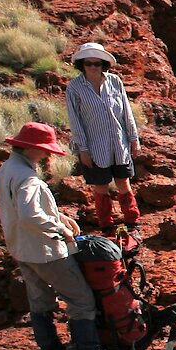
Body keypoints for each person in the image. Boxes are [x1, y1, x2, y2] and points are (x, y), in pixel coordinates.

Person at [0, 122, 118, 350]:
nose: (48, 154)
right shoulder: (28, 178)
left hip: (21, 248)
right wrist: (58, 229)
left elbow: (23, 208)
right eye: (44, 150)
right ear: (31, 148)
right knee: (81, 299)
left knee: (40, 301)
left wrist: (59, 216)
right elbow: (30, 215)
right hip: (45, 251)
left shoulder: (8, 168)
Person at [65, 40, 141, 232]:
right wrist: (83, 149)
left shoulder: (115, 81)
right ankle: (106, 225)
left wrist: (133, 139)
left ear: (103, 64)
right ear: (81, 65)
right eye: (88, 63)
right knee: (101, 186)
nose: (92, 67)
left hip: (119, 143)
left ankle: (132, 222)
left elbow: (126, 112)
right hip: (94, 146)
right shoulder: (75, 88)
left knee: (124, 182)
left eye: (96, 63)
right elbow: (75, 121)